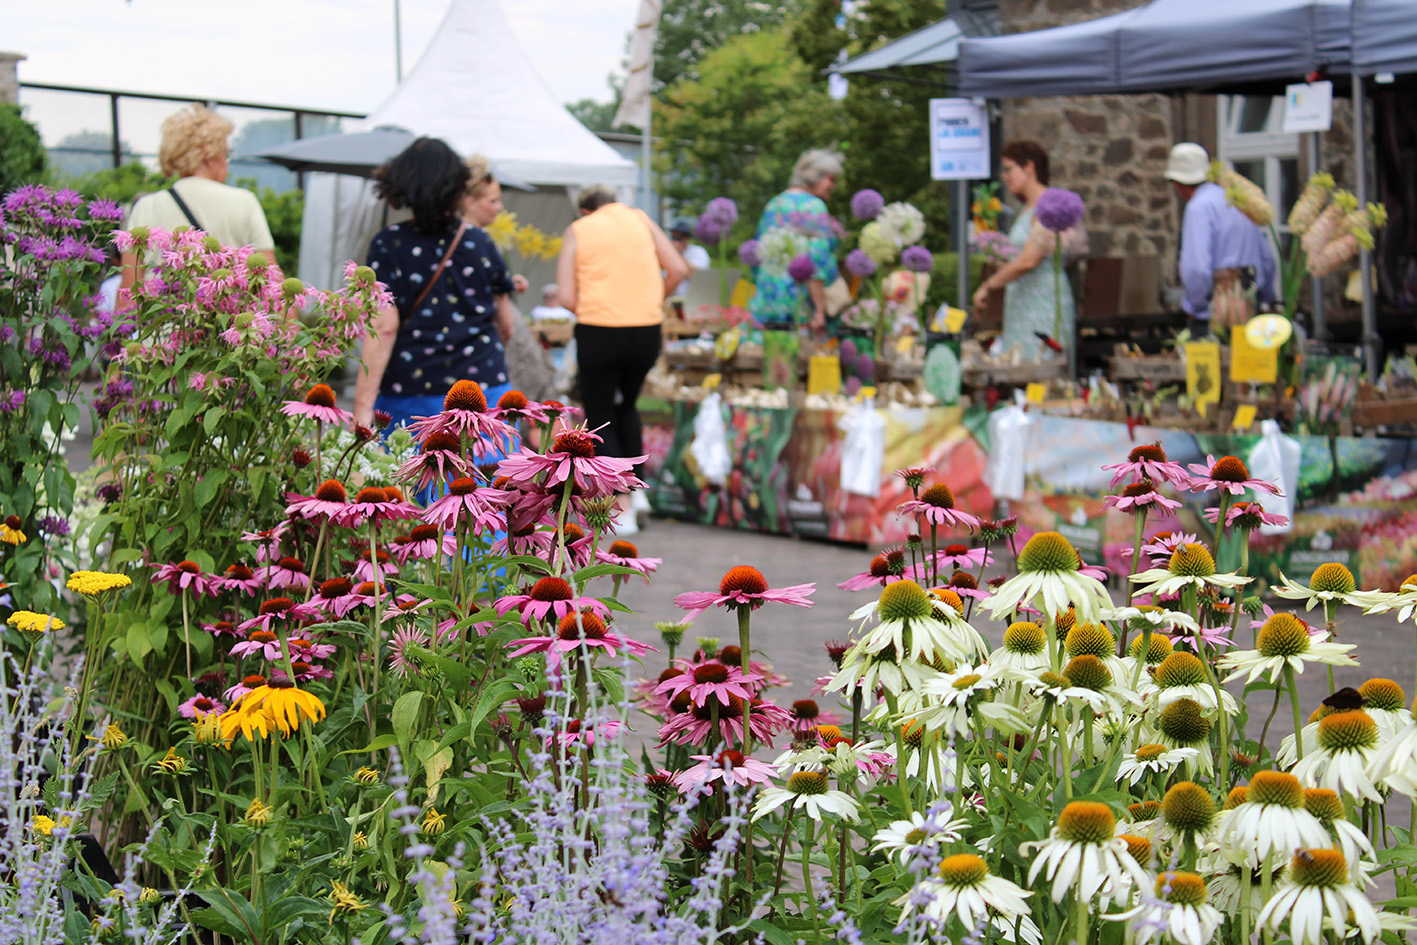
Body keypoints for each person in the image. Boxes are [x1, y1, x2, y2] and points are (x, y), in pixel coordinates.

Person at [353, 138, 517, 435]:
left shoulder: (388, 244)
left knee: (407, 478)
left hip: (409, 394)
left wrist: (363, 408)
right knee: (488, 479)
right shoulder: (480, 241)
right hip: (483, 394)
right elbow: (506, 325)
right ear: (458, 186)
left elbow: (384, 327)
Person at [556, 185, 689, 533]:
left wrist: (592, 307)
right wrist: (650, 299)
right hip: (646, 329)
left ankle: (623, 506)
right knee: (627, 405)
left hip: (599, 328)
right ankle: (639, 490)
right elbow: (678, 268)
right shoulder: (641, 219)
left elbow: (567, 295)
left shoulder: (579, 229)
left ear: (584, 211)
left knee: (599, 413)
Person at [120, 104, 277, 292]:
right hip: (230, 321)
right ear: (207, 154)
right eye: (226, 154)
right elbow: (271, 282)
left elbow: (129, 289)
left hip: (159, 319)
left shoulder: (146, 206)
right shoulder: (245, 201)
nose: (227, 164)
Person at [971, 141, 1085, 359]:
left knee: (1042, 367)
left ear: (1029, 168)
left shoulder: (1048, 205)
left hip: (1043, 303)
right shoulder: (1027, 209)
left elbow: (1028, 261)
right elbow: (1018, 258)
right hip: (1021, 304)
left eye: (1008, 168)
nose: (1004, 177)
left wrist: (988, 286)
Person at [458, 154, 554, 403]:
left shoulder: (463, 239)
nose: (500, 207)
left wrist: (508, 282)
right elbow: (503, 323)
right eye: (493, 201)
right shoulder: (478, 241)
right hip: (488, 353)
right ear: (469, 202)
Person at [1165, 142, 1277, 334]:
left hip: (1216, 313)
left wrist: (1195, 305)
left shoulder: (1198, 207)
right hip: (1251, 307)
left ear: (1178, 184)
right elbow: (1268, 259)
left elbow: (1197, 269)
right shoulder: (1235, 200)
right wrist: (1266, 297)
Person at [748, 149, 843, 330]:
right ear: (814, 176)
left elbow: (756, 256)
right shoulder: (814, 207)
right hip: (799, 306)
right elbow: (815, 263)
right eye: (831, 178)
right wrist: (819, 311)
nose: (833, 185)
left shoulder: (773, 204)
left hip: (767, 301)